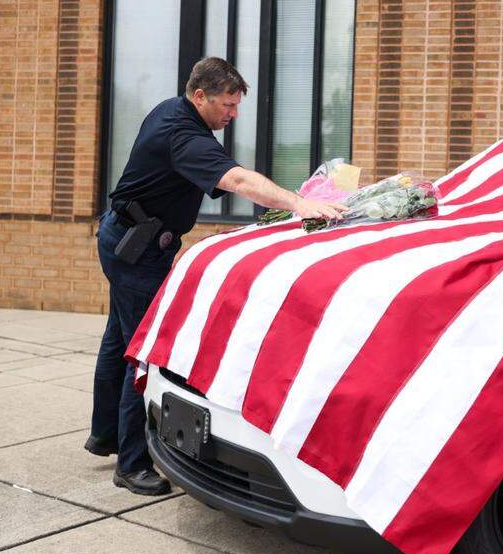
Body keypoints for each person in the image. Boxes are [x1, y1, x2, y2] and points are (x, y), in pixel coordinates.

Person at [88, 57, 346, 495]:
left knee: (119, 339)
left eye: (236, 104)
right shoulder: (182, 133)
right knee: (143, 350)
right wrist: (300, 204)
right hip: (136, 249)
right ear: (200, 96)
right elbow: (238, 179)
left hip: (129, 240)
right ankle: (131, 464)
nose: (234, 113)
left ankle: (105, 434)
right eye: (227, 104)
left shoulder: (175, 114)